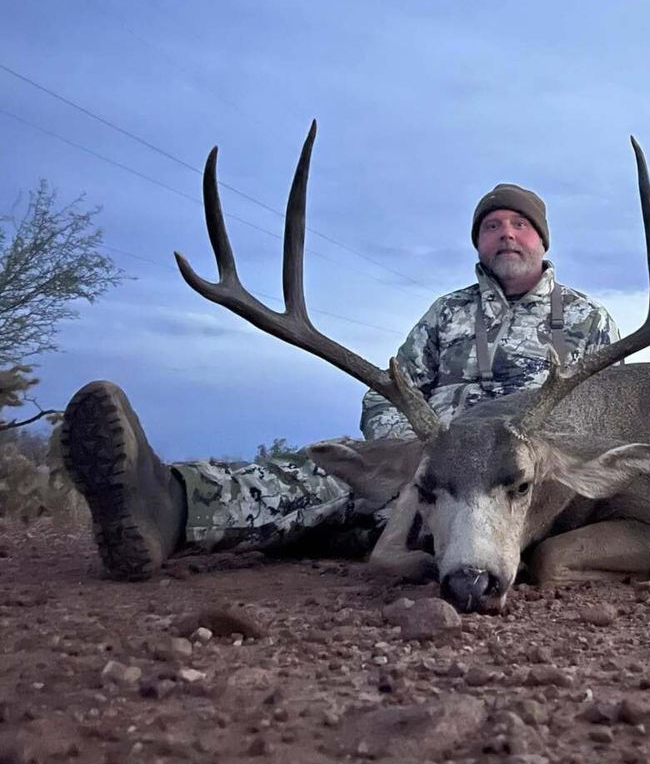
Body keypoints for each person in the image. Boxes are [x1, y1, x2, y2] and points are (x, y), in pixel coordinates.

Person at [62, 183, 619, 579]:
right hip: (429, 469)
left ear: (542, 241)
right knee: (329, 476)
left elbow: (608, 415)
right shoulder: (445, 314)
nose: (506, 234)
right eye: (492, 226)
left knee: (337, 517)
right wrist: (410, 454)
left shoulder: (589, 322)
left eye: (519, 225)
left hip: (518, 490)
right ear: (477, 243)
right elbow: (388, 390)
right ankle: (164, 503)